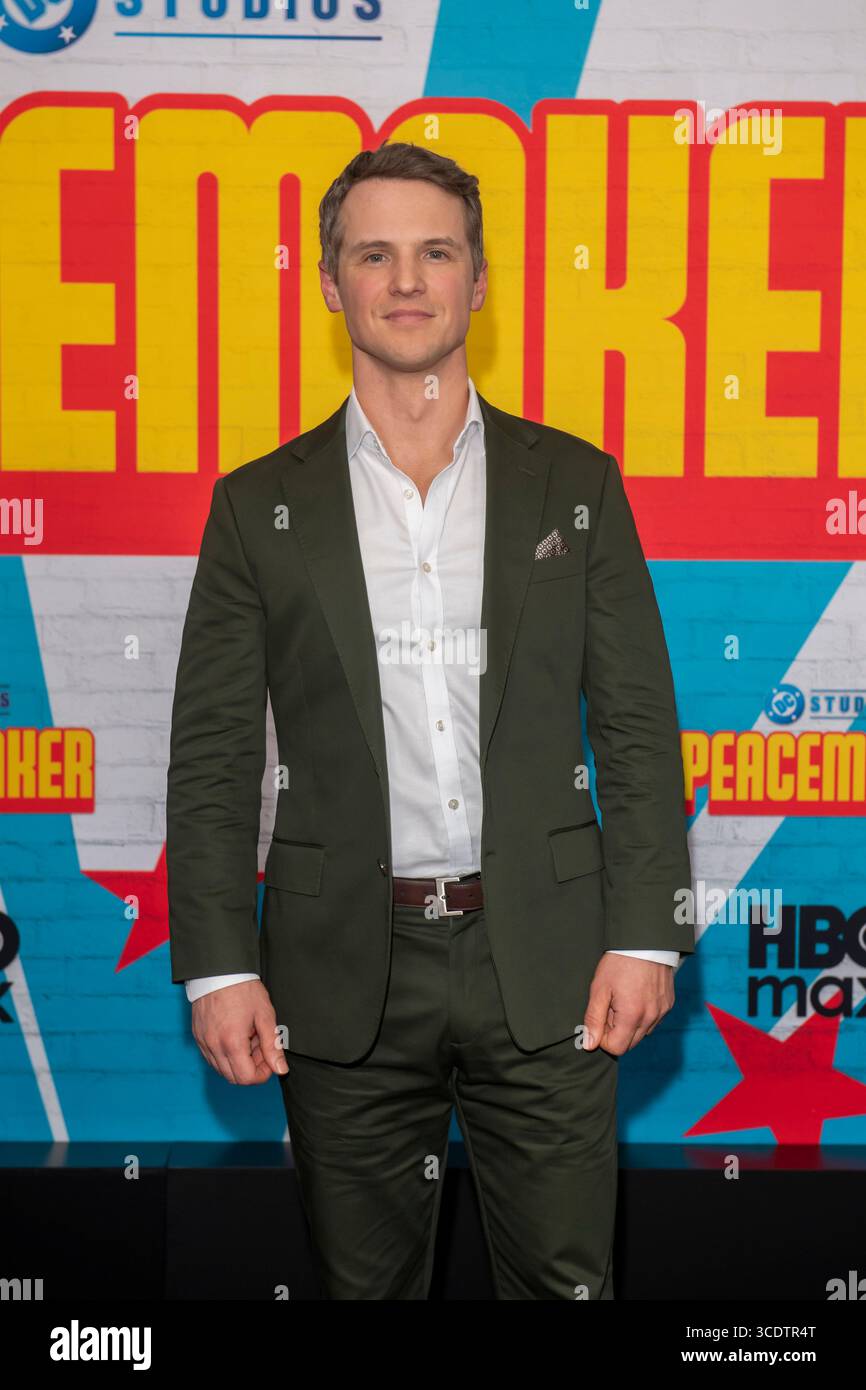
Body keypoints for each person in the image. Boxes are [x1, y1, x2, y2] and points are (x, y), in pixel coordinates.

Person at [166, 139, 694, 1300]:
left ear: (478, 278)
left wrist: (645, 933)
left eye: (434, 251)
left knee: (565, 1284)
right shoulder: (258, 507)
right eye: (375, 254)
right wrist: (214, 966)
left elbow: (638, 729)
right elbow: (209, 757)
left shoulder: (576, 485)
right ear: (329, 281)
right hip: (336, 973)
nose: (406, 280)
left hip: (550, 963)